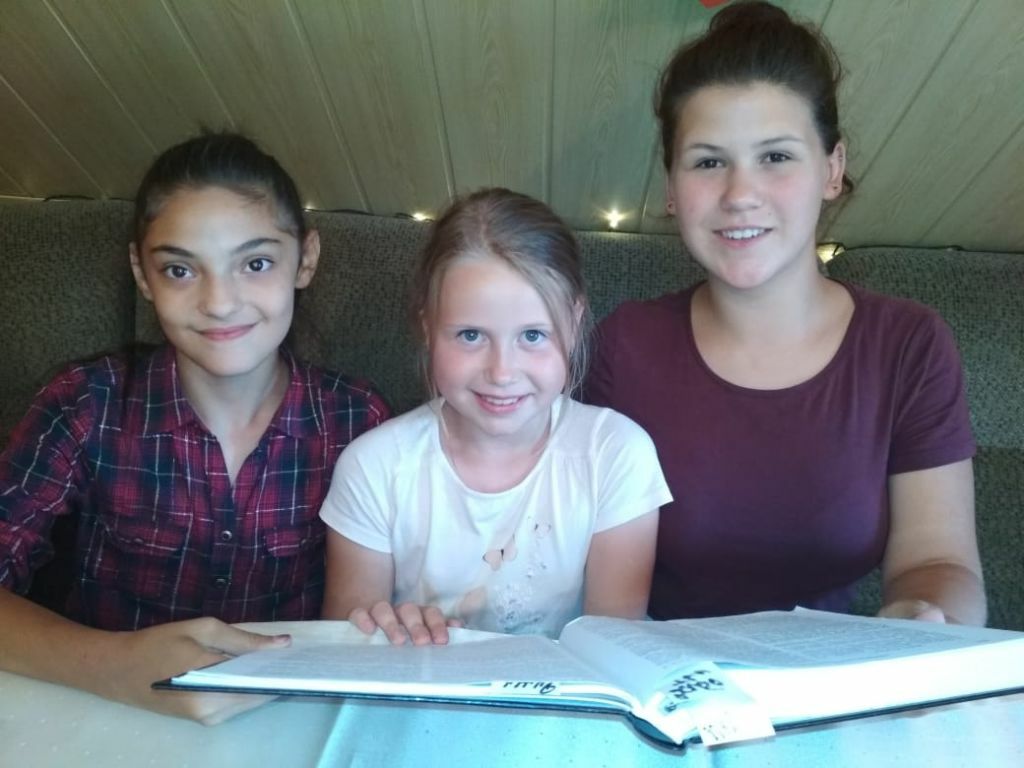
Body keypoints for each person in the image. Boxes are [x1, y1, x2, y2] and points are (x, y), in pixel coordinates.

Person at [584, 1, 985, 625]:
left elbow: (940, 562)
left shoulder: (910, 344)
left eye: (775, 156)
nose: (740, 195)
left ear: (832, 169)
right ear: (671, 188)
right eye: (708, 161)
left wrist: (926, 621)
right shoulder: (624, 344)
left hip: (837, 676)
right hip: (648, 675)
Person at [0, 132, 389, 723]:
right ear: (142, 273)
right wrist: (112, 665)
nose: (219, 302)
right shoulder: (86, 402)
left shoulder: (358, 420)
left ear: (305, 259)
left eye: (255, 264)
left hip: (286, 725)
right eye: (180, 270)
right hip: (102, 717)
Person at [320, 188, 671, 644]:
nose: (502, 373)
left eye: (533, 335)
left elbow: (614, 648)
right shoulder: (374, 466)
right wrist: (384, 630)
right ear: (427, 327)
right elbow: (345, 647)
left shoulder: (616, 453)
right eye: (470, 335)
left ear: (574, 323)